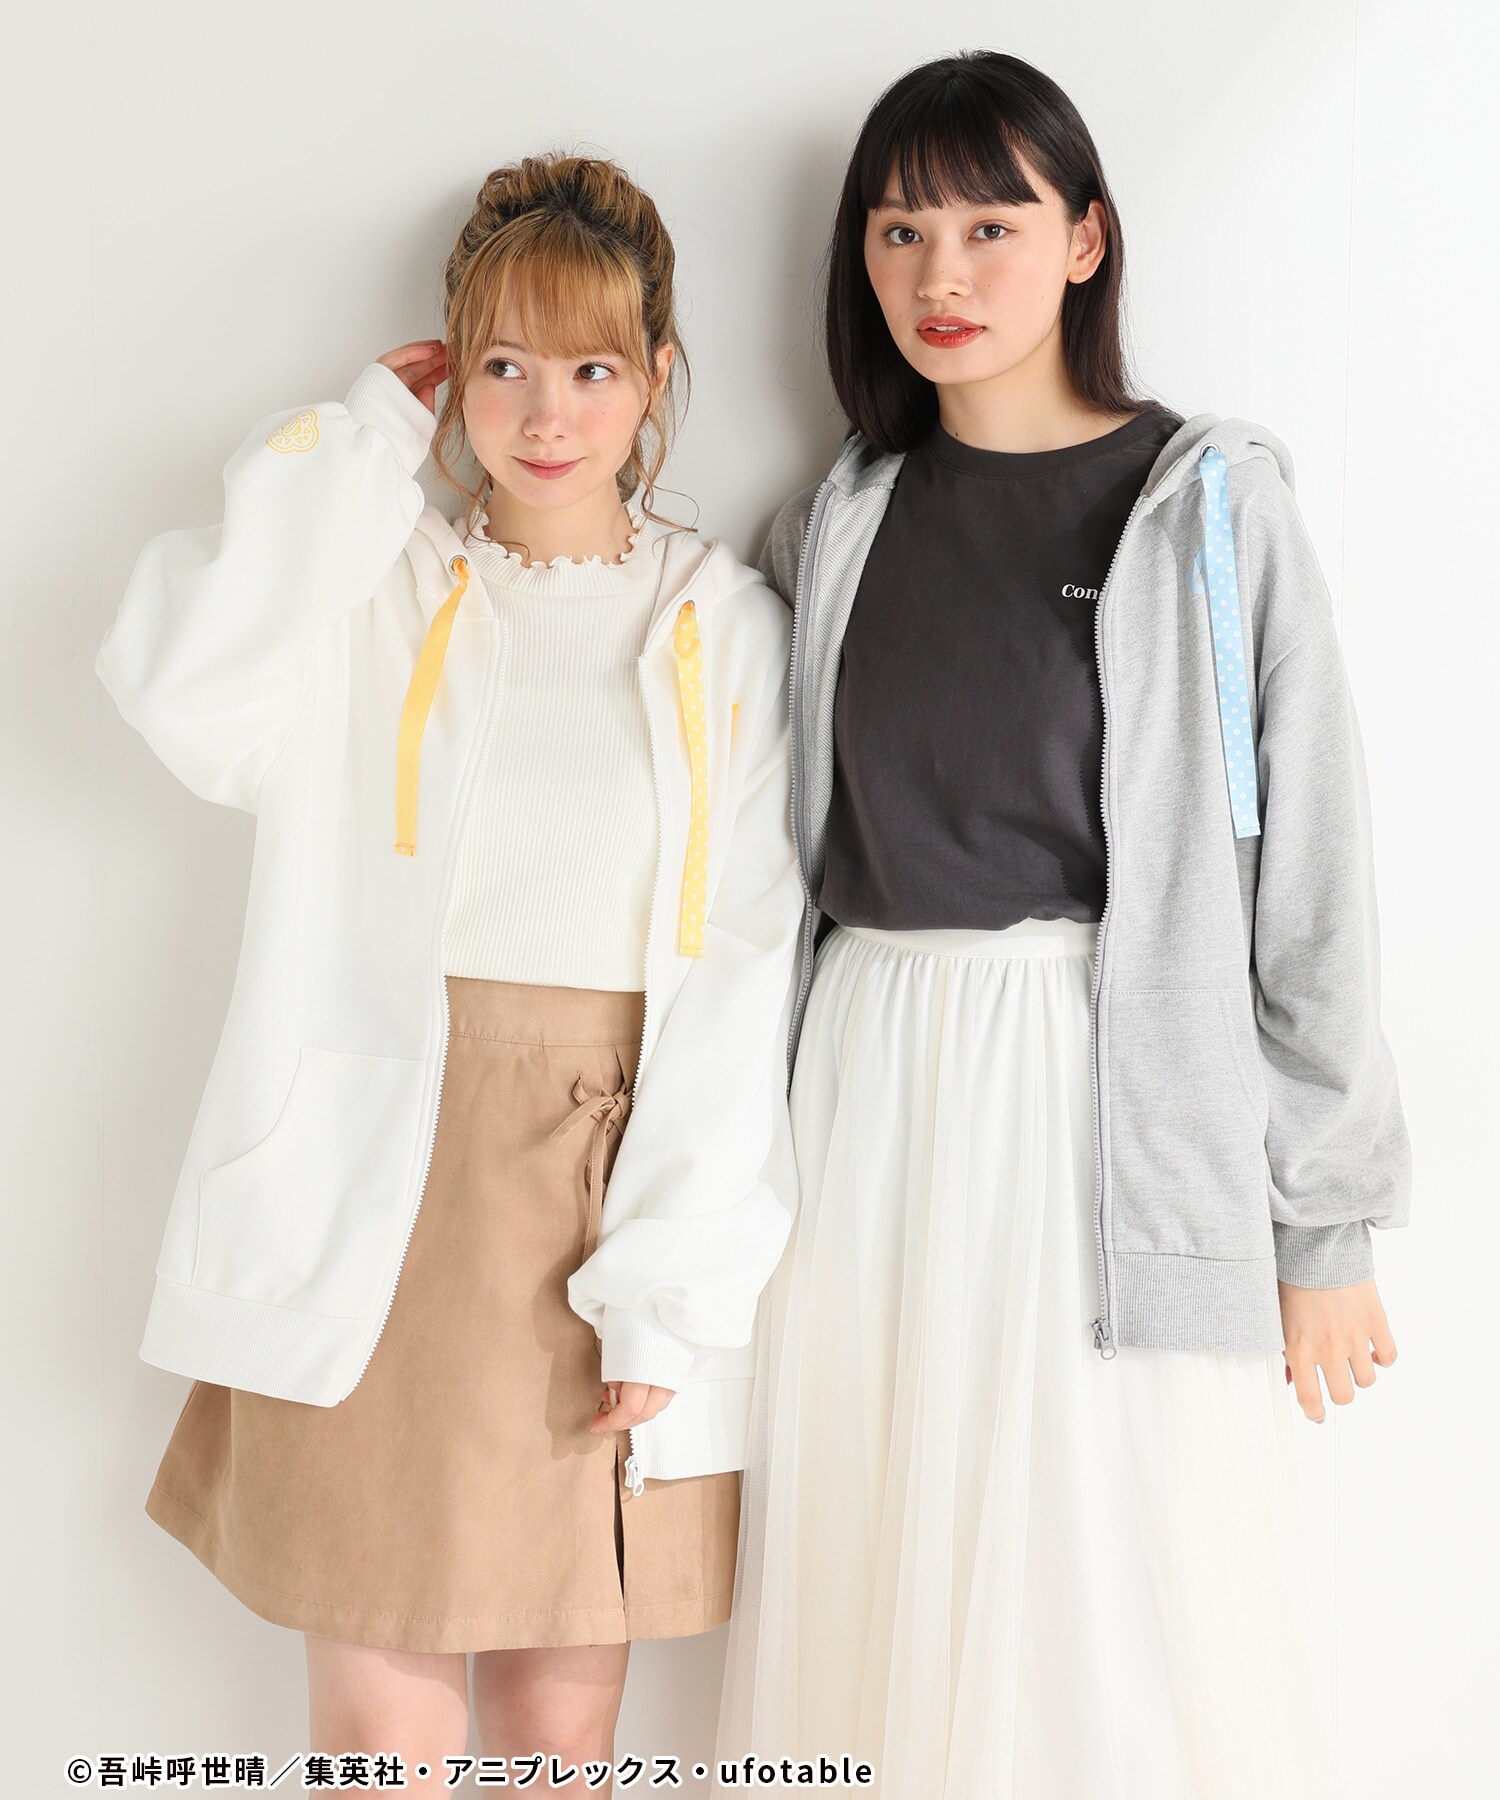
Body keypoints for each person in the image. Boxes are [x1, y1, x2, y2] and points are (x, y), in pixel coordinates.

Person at [716, 51, 1409, 1799]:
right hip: (864, 1094)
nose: (939, 273)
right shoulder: (834, 525)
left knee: (1104, 1594)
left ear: (1086, 240)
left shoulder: (1208, 508)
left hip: (1100, 1099)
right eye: (898, 231)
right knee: (877, 1563)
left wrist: (1324, 1222)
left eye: (990, 226)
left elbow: (1311, 877)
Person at [96, 153, 804, 1770]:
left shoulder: (727, 624)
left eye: (592, 370)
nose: (546, 415)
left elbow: (746, 966)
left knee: (560, 1723)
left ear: (658, 378)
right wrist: (350, 449)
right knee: (378, 1731)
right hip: (377, 1189)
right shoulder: (379, 585)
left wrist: (668, 1294)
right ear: (454, 380)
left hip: (610, 1194)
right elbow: (182, 685)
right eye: (504, 366)